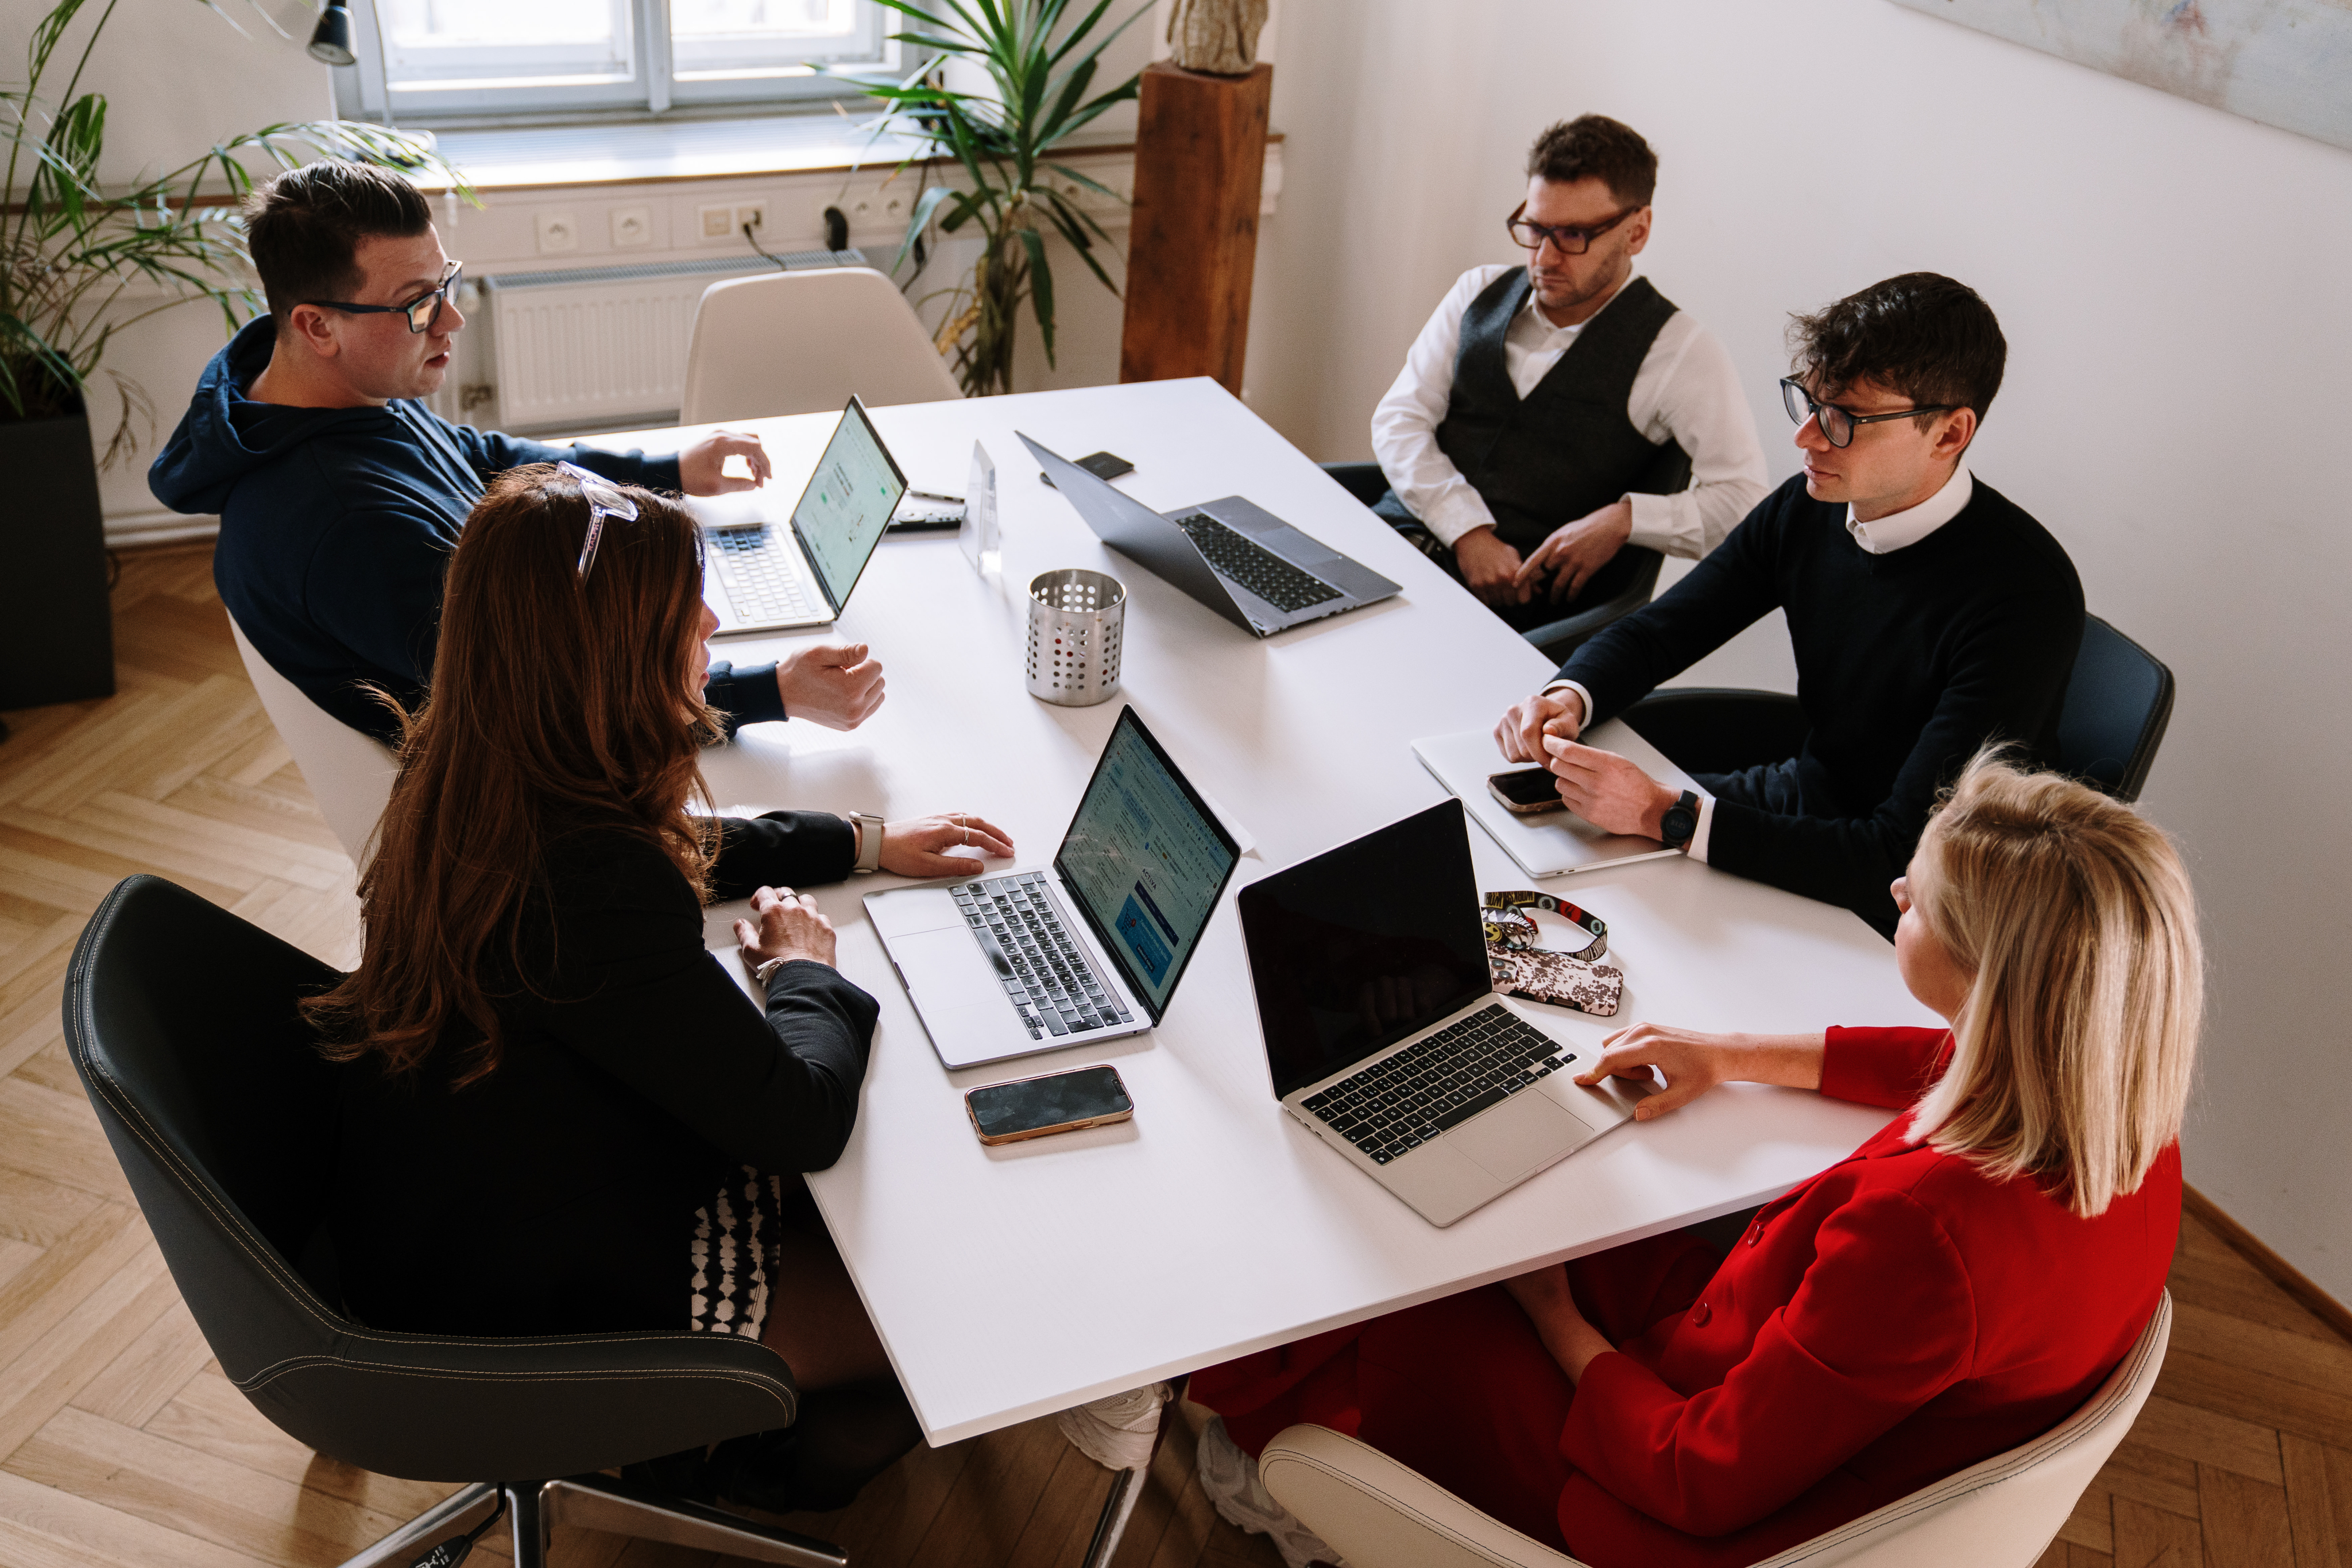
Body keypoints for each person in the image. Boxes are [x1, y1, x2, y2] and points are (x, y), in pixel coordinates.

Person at [1190, 753, 2199, 1568]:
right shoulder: (2118, 1112)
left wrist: (1556, 1318)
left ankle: (1261, 1454)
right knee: (1537, 1196)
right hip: (1774, 1374)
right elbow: (1943, 1060)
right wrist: (1730, 1055)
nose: (1896, 885)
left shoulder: (1926, 1240)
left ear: (1995, 978)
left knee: (1418, 1271)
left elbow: (1696, 1477)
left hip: (1663, 1507)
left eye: (1922, 899)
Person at [305, 464, 1013, 1511]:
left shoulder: (465, 768)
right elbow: (802, 1120)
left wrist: (859, 841)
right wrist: (805, 971)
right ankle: (697, 1455)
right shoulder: (590, 887)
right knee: (948, 1320)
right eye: (688, 613)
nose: (715, 623)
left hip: (438, 1202)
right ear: (612, 658)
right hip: (532, 1285)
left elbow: (667, 849)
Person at [149, 158, 885, 745]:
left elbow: (482, 453)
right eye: (418, 303)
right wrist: (769, 692)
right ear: (316, 325)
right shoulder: (351, 528)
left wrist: (663, 471)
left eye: (447, 283)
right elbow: (548, 709)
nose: (453, 319)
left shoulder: (315, 398)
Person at [1495, 272, 2083, 935]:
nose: (1805, 438)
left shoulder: (2023, 599)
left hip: (1915, 901)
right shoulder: (1811, 505)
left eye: (1843, 420)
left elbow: (1898, 856)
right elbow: (1661, 631)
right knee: (1534, 876)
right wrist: (1570, 695)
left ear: (1948, 434)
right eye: (1807, 403)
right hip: (1799, 804)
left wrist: (1667, 815)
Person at [1368, 115, 1766, 630]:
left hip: (1511, 619)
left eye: (1574, 235)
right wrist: (1467, 532)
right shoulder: (1477, 291)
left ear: (1637, 231)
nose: (1545, 257)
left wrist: (1628, 519)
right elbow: (1399, 419)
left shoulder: (1681, 352)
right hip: (1391, 543)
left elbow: (1744, 502)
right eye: (1535, 229)